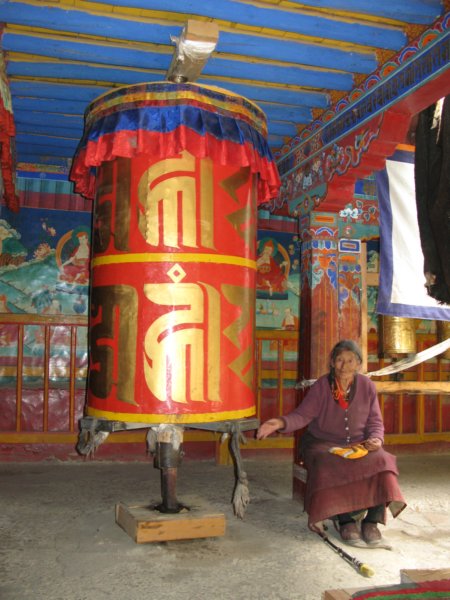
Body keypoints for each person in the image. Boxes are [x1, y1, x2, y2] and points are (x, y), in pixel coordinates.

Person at [257, 340, 406, 546]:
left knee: (382, 460)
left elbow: (375, 421)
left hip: (358, 442)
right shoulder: (322, 386)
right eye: (339, 360)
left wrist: (376, 439)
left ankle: (372, 521)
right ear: (332, 363)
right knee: (330, 462)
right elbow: (302, 415)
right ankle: (344, 521)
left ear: (359, 364)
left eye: (350, 361)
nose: (344, 366)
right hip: (322, 442)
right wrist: (279, 422)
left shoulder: (366, 386)